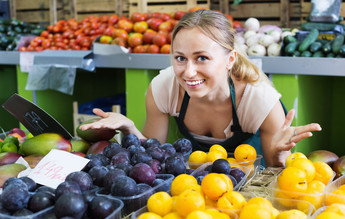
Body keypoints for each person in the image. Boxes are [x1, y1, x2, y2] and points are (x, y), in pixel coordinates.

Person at [80, 10, 321, 167]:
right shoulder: (164, 87)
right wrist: (129, 127)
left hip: (248, 189)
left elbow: (275, 178)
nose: (188, 72)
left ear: (230, 60)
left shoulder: (258, 99)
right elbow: (153, 157)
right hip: (194, 190)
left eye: (202, 58)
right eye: (180, 58)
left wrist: (279, 156)